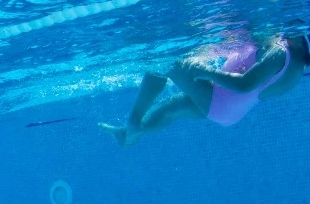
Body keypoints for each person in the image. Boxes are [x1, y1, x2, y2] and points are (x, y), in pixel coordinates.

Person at [102, 31, 310, 145]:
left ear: (302, 42)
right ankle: (128, 134)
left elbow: (244, 85)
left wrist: (207, 72)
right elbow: (258, 88)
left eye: (296, 30)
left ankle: (134, 119)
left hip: (222, 98)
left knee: (165, 63)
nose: (289, 30)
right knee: (169, 109)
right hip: (230, 109)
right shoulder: (297, 69)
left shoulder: (280, 52)